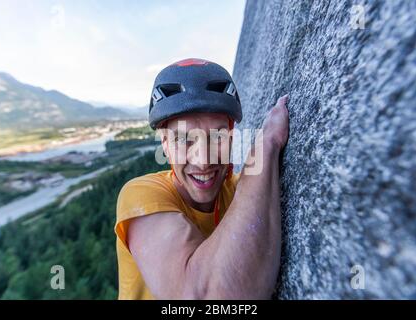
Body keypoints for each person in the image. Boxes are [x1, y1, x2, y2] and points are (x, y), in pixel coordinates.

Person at [114, 58, 289, 299]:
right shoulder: (141, 195)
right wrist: (265, 144)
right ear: (165, 144)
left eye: (217, 136)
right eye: (184, 140)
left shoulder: (242, 190)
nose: (203, 160)